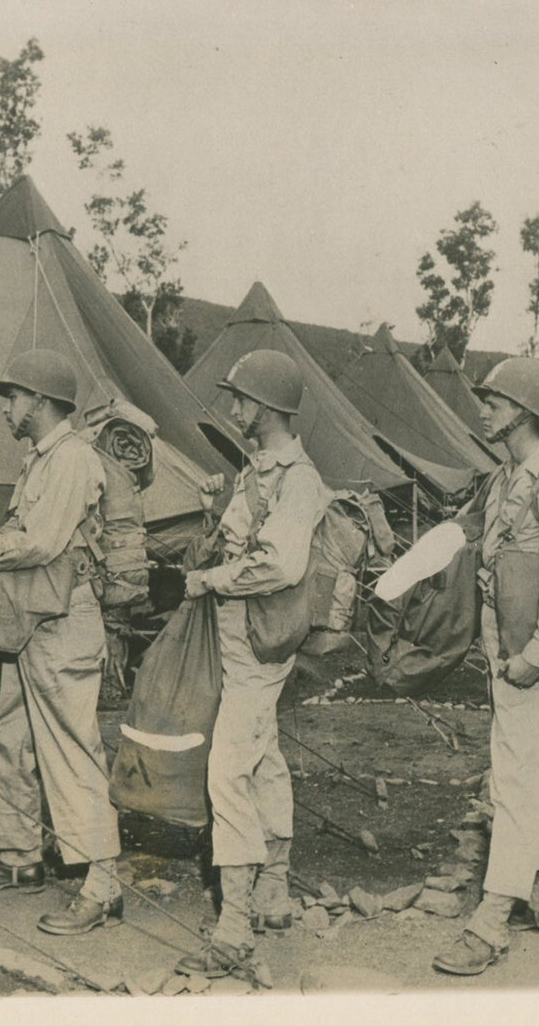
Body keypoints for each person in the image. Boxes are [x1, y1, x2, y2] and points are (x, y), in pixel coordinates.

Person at [0, 348, 124, 936]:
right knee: (8, 737)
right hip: (31, 622)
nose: (7, 407)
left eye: (15, 396)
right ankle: (19, 856)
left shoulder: (71, 458)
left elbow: (45, 540)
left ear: (42, 402)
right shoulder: (39, 460)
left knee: (72, 750)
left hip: (64, 624)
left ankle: (102, 886)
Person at [174, 349, 332, 979]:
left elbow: (281, 566)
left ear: (265, 408)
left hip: (265, 641)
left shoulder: (298, 479)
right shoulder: (257, 472)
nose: (233, 408)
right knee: (263, 756)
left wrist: (209, 580)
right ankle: (274, 889)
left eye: (240, 399)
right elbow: (245, 540)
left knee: (226, 770)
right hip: (243, 641)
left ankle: (234, 924)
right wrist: (217, 515)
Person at [432, 357, 539, 977]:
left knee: (515, 779)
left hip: (535, 656)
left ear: (524, 410)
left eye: (494, 401)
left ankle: (493, 918)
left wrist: (537, 655)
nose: (483, 409)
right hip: (512, 651)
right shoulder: (507, 475)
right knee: (538, 767)